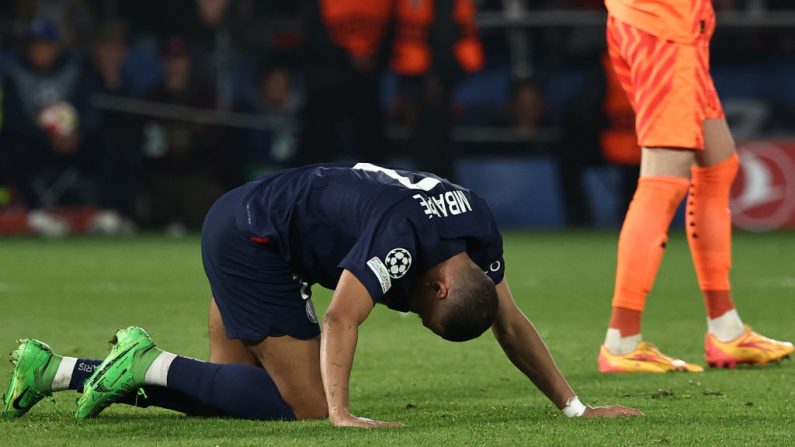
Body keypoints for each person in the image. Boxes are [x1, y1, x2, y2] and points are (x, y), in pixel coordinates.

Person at [4, 163, 641, 425]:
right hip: (253, 239)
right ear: (443, 280)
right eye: (425, 306)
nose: (413, 306)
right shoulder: (404, 241)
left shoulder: (473, 227)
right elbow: (341, 317)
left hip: (252, 217)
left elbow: (510, 322)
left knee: (235, 394)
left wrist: (576, 409)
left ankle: (55, 370)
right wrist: (338, 413)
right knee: (299, 407)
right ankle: (142, 362)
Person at [598, 0, 793, 372]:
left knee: (718, 164)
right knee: (663, 179)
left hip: (675, 26)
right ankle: (621, 341)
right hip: (662, 26)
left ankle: (726, 329)